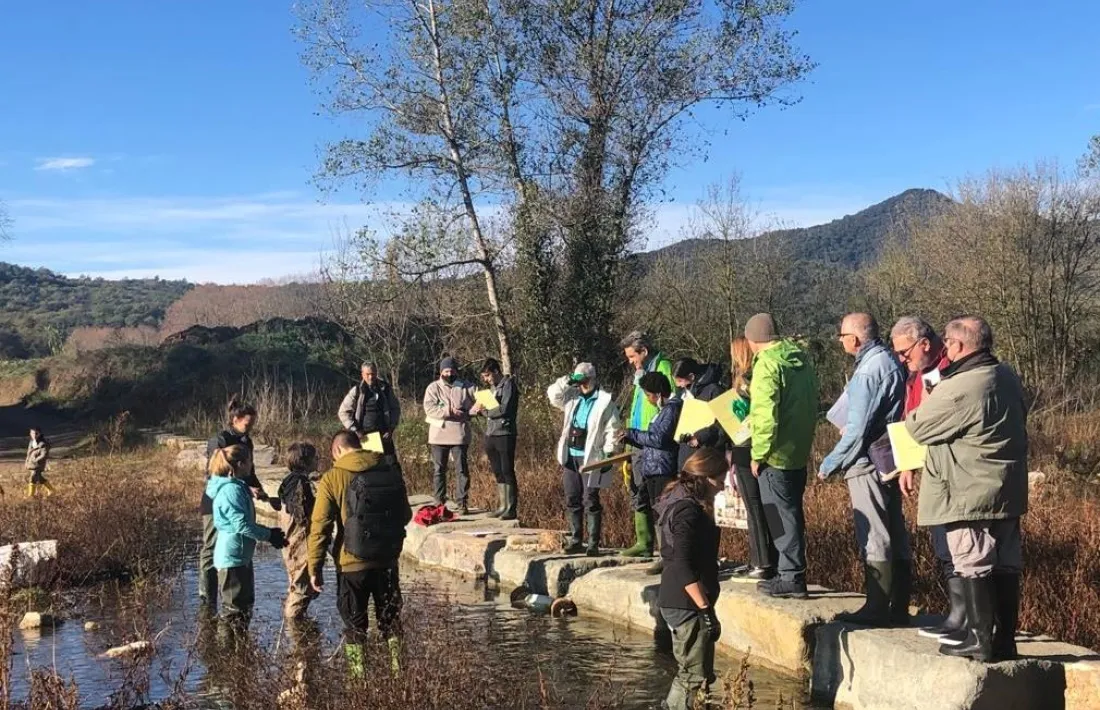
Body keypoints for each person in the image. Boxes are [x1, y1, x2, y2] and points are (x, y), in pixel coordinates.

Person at [904, 316, 1027, 662]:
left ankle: (979, 640)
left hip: (968, 489)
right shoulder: (1007, 375)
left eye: (947, 342)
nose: (945, 347)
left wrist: (931, 396)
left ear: (957, 345)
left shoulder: (961, 386)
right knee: (1005, 564)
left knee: (972, 562)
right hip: (1007, 487)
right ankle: (1004, 641)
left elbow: (917, 427)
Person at [819, 313, 911, 626]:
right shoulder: (890, 360)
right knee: (895, 529)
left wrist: (829, 463)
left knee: (874, 532)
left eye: (841, 335)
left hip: (866, 461)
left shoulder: (868, 372)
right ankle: (898, 606)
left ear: (854, 339)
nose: (840, 341)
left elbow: (856, 430)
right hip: (889, 458)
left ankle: (877, 607)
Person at [308, 431, 413, 678]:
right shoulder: (388, 470)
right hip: (387, 561)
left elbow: (320, 526)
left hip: (351, 565)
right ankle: (400, 675)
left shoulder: (333, 477)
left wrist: (315, 567)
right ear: (360, 445)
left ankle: (358, 682)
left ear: (336, 451)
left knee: (355, 627)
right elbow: (406, 515)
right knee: (391, 622)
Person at [891, 316, 963, 643]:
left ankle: (966, 618)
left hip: (951, 471)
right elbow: (912, 419)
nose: (901, 359)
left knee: (957, 548)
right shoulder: (917, 374)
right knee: (943, 546)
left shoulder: (947, 372)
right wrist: (907, 465)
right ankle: (958, 614)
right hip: (930, 468)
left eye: (904, 352)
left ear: (924, 343)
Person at [744, 313, 819, 599]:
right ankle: (791, 571)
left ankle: (790, 575)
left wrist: (758, 454)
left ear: (753, 340)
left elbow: (766, 415)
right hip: (797, 450)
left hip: (774, 455)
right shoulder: (800, 361)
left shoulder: (767, 365)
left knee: (777, 515)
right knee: (792, 514)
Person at [657, 447, 728, 710]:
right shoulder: (688, 511)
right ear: (705, 477)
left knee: (697, 674)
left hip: (683, 601)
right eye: (720, 480)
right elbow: (682, 564)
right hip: (686, 604)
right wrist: (705, 610)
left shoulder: (681, 501)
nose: (723, 486)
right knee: (693, 676)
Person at [200, 400, 275, 613]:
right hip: (215, 500)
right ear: (235, 420)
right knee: (211, 548)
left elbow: (250, 473)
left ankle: (229, 596)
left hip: (238, 497)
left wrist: (263, 494)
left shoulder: (246, 441)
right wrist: (245, 487)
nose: (250, 428)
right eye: (247, 424)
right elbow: (216, 472)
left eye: (252, 424)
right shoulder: (220, 440)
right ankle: (207, 599)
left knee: (234, 546)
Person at [205, 445, 287, 634]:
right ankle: (226, 650)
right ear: (240, 464)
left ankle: (241, 647)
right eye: (250, 461)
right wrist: (269, 535)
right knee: (233, 612)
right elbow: (242, 525)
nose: (252, 465)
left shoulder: (236, 486)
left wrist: (255, 494)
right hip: (232, 559)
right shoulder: (230, 491)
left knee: (243, 609)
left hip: (240, 557)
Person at [547, 363, 622, 556]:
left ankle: (593, 543)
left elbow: (613, 429)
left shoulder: (604, 401)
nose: (583, 385)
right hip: (570, 455)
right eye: (580, 381)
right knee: (572, 497)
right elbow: (553, 395)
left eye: (585, 380)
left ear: (592, 379)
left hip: (591, 457)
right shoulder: (572, 397)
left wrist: (609, 453)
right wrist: (567, 380)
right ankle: (576, 539)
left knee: (590, 499)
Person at [620, 331, 675, 557]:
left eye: (632, 356)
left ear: (643, 351)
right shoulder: (640, 374)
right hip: (637, 440)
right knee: (637, 491)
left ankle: (664, 548)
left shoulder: (663, 368)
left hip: (653, 441)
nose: (630, 362)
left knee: (658, 498)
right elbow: (636, 409)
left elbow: (667, 403)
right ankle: (643, 541)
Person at [621, 372, 683, 573]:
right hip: (653, 468)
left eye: (648, 394)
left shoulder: (671, 409)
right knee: (656, 512)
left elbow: (659, 439)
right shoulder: (662, 410)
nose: (648, 399)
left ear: (658, 393)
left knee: (665, 513)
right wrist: (630, 439)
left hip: (663, 468)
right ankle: (663, 553)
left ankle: (668, 556)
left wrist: (632, 433)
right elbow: (651, 441)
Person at [726, 337, 776, 581]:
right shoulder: (758, 376)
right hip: (752, 448)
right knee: (761, 508)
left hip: (746, 448)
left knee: (754, 508)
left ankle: (761, 562)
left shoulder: (746, 381)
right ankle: (763, 559)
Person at [422, 357, 476, 515]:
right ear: (441, 372)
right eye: (446, 371)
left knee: (462, 470)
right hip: (438, 435)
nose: (449, 374)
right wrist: (449, 411)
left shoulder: (466, 386)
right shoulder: (433, 388)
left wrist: (471, 411)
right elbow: (429, 409)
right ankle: (439, 501)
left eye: (452, 371)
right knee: (439, 469)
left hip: (460, 434)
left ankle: (462, 502)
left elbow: (481, 400)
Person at [471, 358, 520, 520]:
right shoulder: (491, 389)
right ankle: (502, 506)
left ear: (496, 372)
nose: (486, 379)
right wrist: (479, 410)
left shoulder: (509, 385)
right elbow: (492, 409)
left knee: (507, 470)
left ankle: (511, 508)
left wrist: (485, 411)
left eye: (487, 375)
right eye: (484, 377)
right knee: (498, 471)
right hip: (491, 433)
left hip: (505, 433)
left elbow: (504, 409)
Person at [278, 442, 321, 622]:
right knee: (301, 585)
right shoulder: (300, 484)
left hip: (290, 541)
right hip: (299, 541)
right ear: (305, 462)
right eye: (315, 457)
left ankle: (296, 621)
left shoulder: (288, 481)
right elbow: (302, 513)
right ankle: (294, 627)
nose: (318, 460)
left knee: (298, 583)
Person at [672, 358, 727, 469]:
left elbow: (724, 422)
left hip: (706, 455)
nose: (678, 385)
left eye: (680, 381)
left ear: (691, 376)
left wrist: (700, 436)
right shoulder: (684, 394)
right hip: (687, 455)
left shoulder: (714, 390)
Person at [338, 361, 402, 456]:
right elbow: (343, 412)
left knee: (390, 463)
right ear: (362, 374)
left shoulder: (385, 389)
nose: (371, 377)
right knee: (371, 464)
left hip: (384, 436)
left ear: (376, 373)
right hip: (366, 437)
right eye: (368, 374)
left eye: (373, 374)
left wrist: (391, 429)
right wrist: (356, 430)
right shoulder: (357, 391)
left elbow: (395, 408)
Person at [25, 428, 53, 497]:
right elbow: (28, 454)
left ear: (40, 434)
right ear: (30, 434)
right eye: (32, 433)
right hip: (32, 464)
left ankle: (31, 496)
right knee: (40, 478)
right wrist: (27, 462)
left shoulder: (43, 443)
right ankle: (52, 490)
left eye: (36, 433)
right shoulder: (31, 442)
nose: (34, 435)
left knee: (32, 478)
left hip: (39, 464)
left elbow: (44, 454)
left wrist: (36, 460)